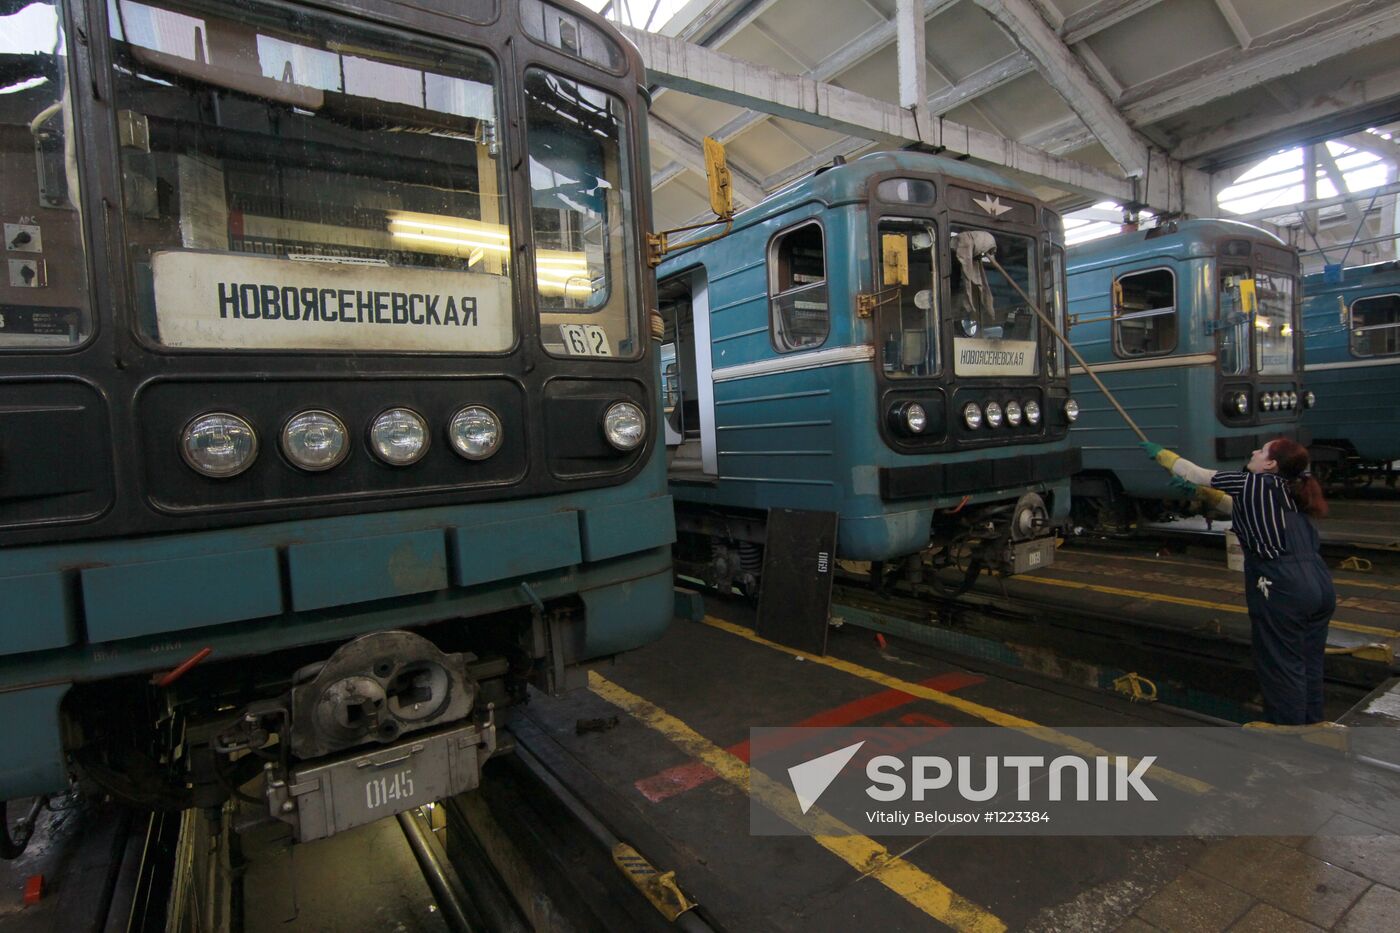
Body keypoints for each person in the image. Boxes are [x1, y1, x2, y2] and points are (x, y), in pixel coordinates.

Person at [1140, 437, 1335, 724]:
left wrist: (1163, 455)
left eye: (1262, 450)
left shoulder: (1252, 482)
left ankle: (1289, 735)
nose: (1254, 452)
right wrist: (1204, 495)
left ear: (1270, 464)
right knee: (1309, 663)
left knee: (1282, 665)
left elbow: (1197, 473)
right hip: (1319, 585)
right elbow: (1240, 508)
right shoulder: (1290, 490)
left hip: (1283, 586)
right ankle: (1314, 726)